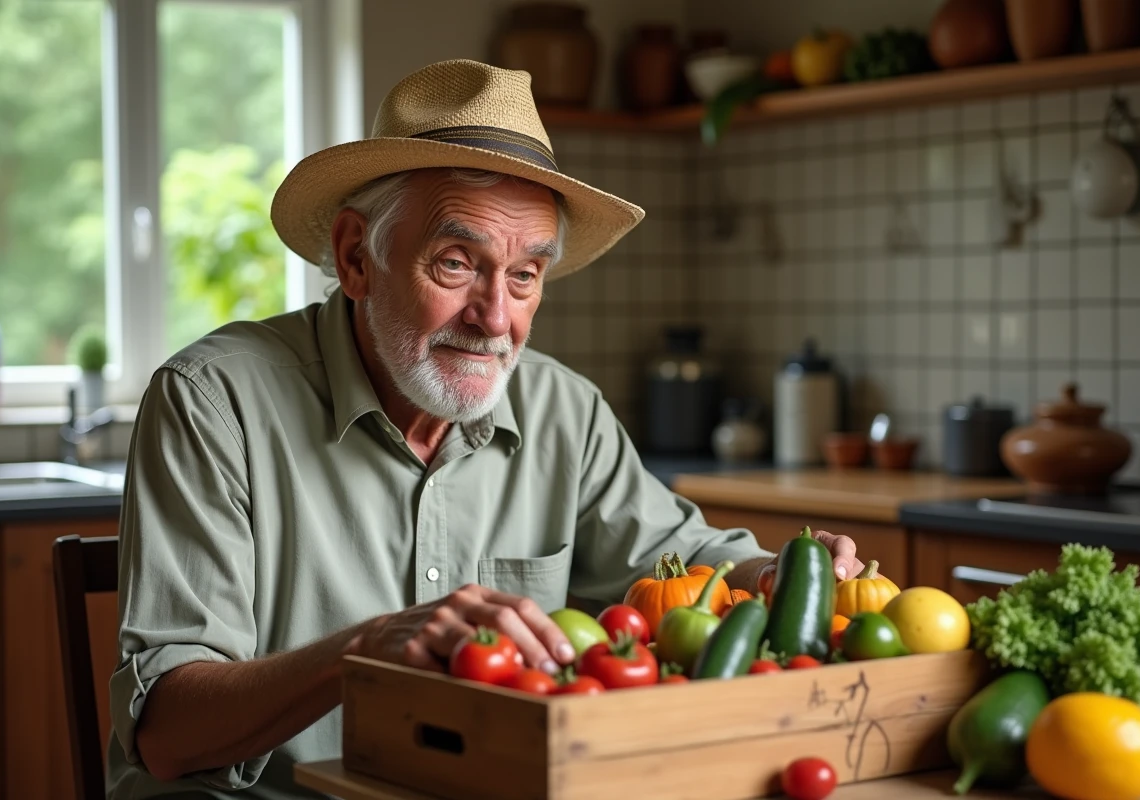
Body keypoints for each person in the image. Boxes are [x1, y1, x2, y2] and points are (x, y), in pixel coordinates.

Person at [108, 59, 864, 800]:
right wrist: (365, 649)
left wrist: (776, 573)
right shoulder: (213, 402)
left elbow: (689, 562)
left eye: (526, 276)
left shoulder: (566, 412)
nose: (495, 318)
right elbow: (169, 734)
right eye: (456, 263)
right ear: (354, 257)